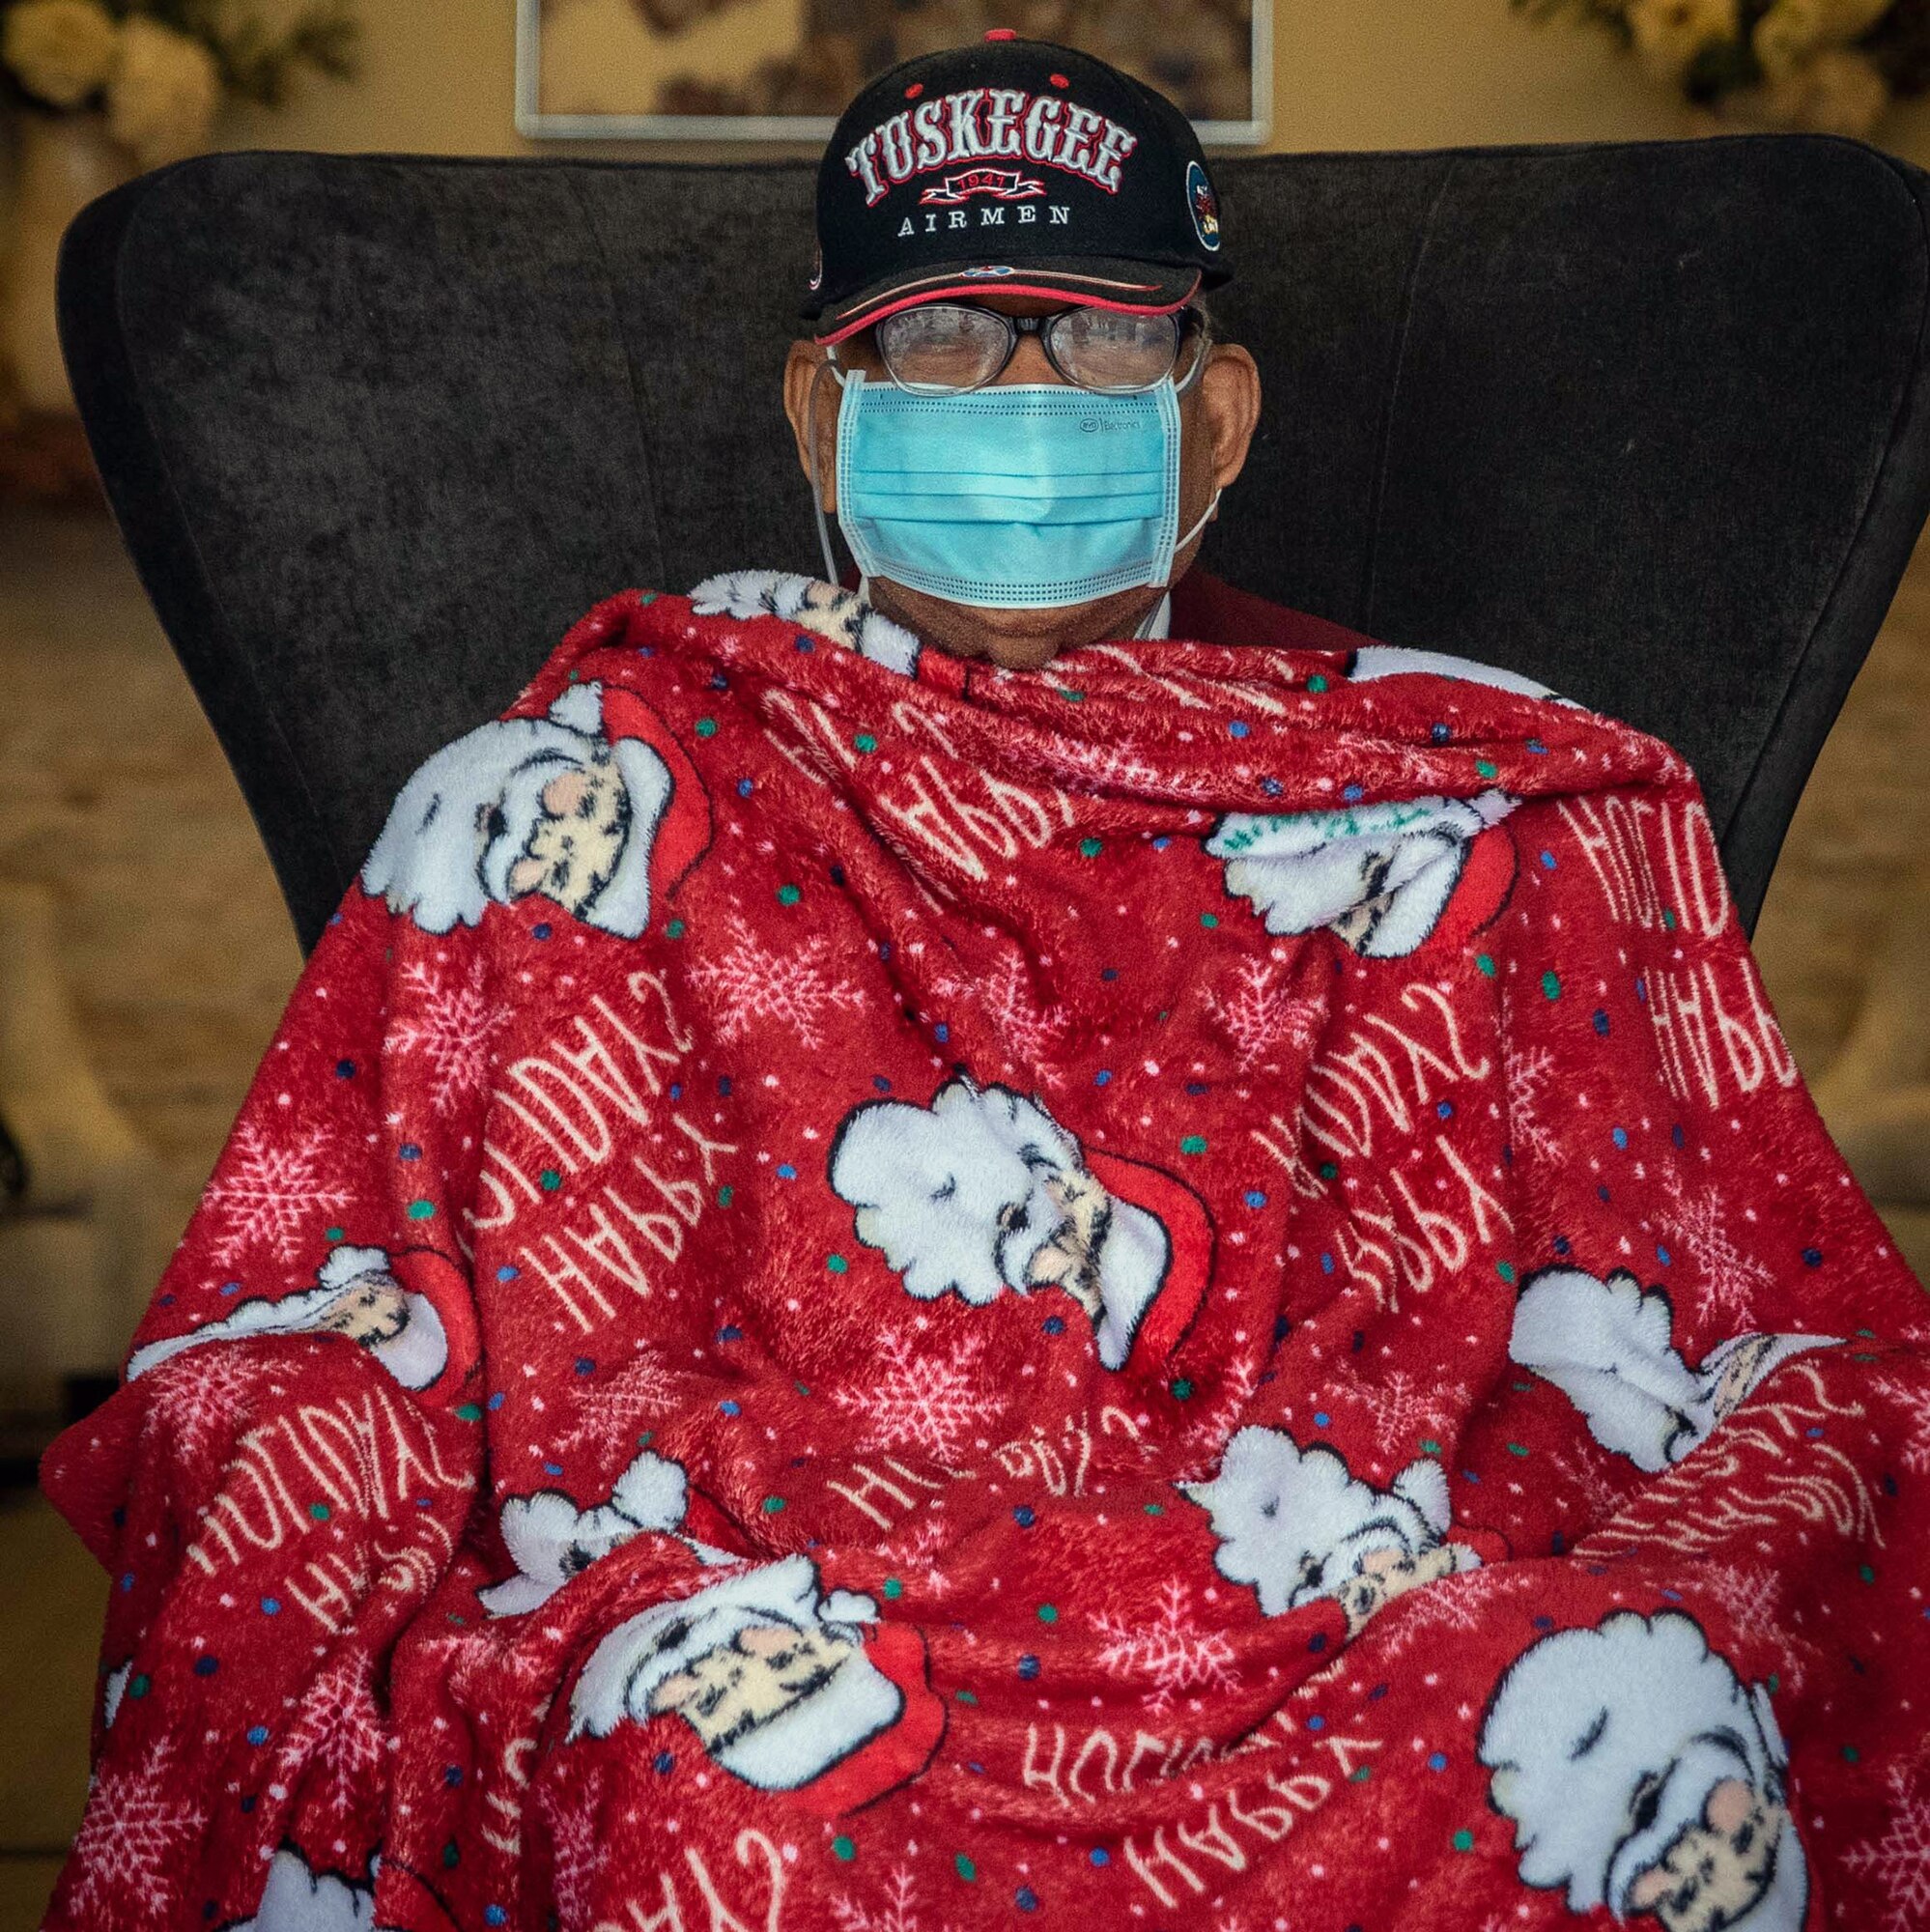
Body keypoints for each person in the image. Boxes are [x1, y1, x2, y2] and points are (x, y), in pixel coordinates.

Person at [776, 31, 1307, 674]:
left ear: (1221, 424)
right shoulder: (688, 722)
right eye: (938, 333)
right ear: (823, 428)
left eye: (1109, 332)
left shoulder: (1383, 731)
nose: (1029, 402)